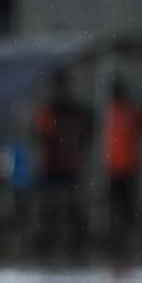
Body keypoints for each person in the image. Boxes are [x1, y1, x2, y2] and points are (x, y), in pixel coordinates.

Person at [32, 69, 91, 255]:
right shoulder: (54, 110)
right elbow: (41, 136)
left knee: (67, 206)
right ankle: (52, 242)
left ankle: (70, 243)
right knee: (53, 207)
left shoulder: (71, 110)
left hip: (65, 164)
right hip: (54, 165)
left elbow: (83, 135)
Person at [102, 77, 142, 254]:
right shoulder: (123, 111)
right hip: (120, 167)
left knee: (123, 206)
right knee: (123, 206)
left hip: (123, 167)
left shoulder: (120, 111)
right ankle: (122, 237)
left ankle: (123, 238)